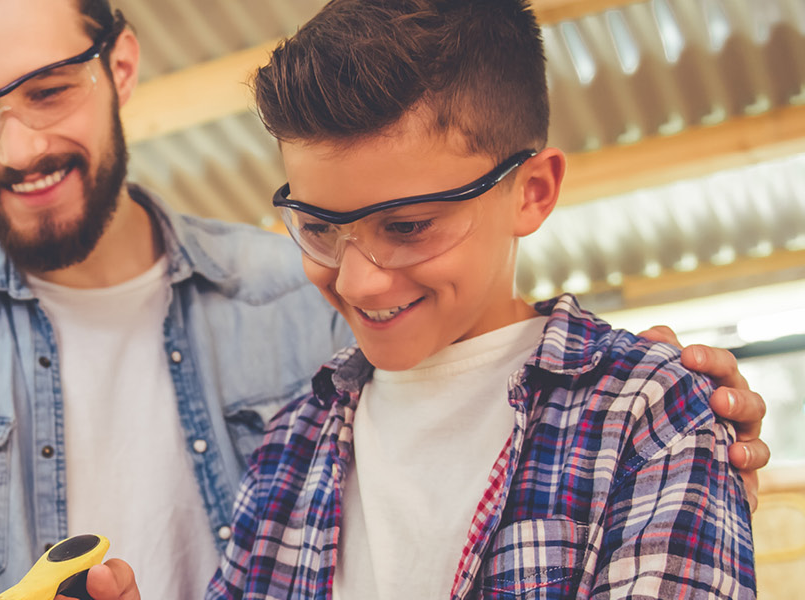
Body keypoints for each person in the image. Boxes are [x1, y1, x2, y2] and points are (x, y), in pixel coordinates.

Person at [0, 1, 770, 599]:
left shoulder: (289, 314)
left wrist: (668, 392)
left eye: (48, 90)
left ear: (122, 66)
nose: (18, 144)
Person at [83, 1, 757, 598]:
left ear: (532, 192)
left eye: (407, 228)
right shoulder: (290, 444)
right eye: (319, 227)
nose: (357, 282)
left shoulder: (648, 419)